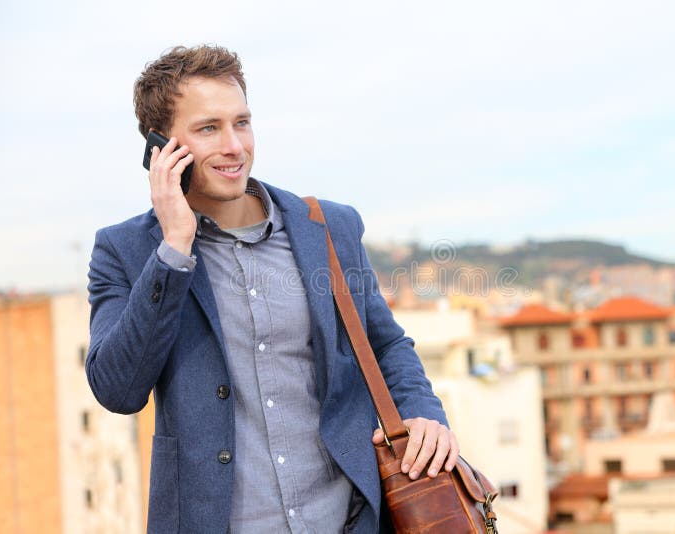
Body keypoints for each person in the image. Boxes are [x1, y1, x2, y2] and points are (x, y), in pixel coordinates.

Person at [86, 44, 459, 533]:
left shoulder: (328, 227)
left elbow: (385, 344)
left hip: (350, 519)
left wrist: (424, 413)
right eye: (208, 128)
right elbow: (118, 389)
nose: (234, 146)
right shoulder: (125, 252)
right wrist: (174, 249)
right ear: (161, 149)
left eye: (241, 122)